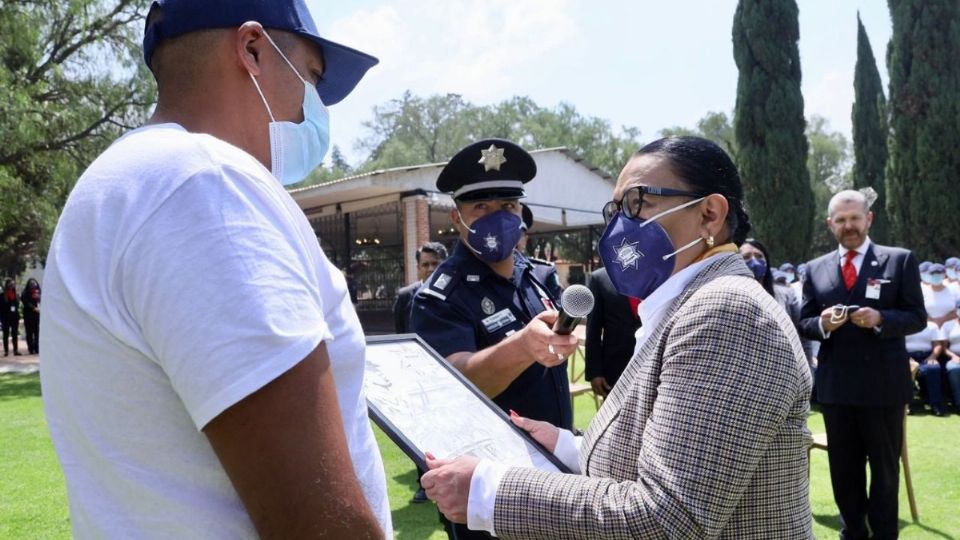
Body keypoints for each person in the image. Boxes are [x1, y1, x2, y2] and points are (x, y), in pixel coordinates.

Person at [39, 1, 390, 537]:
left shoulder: (122, 182)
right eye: (313, 78)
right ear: (252, 49)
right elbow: (321, 526)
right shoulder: (204, 185)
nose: (315, 106)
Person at [422, 136, 813, 538]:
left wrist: (489, 490)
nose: (619, 225)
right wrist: (564, 446)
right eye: (616, 209)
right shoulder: (691, 303)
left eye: (638, 203)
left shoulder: (727, 313)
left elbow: (667, 518)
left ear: (709, 215)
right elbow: (658, 455)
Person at [409, 138, 578, 540]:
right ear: (456, 217)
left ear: (521, 212)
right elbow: (454, 386)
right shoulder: (440, 296)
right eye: (480, 208)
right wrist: (522, 346)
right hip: (489, 487)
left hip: (555, 468)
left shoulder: (538, 276)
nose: (496, 217)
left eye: (507, 206)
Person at [799, 189, 925, 540]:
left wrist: (881, 317)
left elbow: (917, 316)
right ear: (830, 225)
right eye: (840, 220)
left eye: (855, 218)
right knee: (844, 470)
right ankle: (852, 532)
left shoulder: (899, 260)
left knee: (885, 472)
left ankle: (884, 535)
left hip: (883, 387)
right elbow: (804, 321)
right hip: (838, 388)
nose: (849, 225)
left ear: (869, 219)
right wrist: (823, 322)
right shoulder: (814, 268)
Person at [584, 267, 641, 398]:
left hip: (651, 365)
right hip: (615, 371)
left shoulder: (657, 272)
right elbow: (593, 328)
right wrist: (594, 372)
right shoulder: (600, 278)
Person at [740, 238, 799, 326]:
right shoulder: (732, 296)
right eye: (746, 257)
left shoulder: (785, 294)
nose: (755, 261)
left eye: (759, 256)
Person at [393, 242, 448, 333]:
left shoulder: (457, 293)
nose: (431, 269)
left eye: (435, 264)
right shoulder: (405, 297)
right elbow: (401, 334)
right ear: (418, 268)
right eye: (425, 265)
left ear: (445, 265)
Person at [518, 203, 562, 296]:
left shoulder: (544, 271)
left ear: (525, 240)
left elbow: (557, 307)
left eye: (518, 233)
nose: (511, 239)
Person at [904, 321, 947, 416]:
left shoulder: (932, 326)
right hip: (907, 357)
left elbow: (937, 345)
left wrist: (933, 357)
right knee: (906, 371)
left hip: (927, 356)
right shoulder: (904, 324)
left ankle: (935, 405)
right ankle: (907, 406)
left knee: (933, 369)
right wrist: (906, 358)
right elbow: (898, 344)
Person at [939, 299, 960, 412]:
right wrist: (954, 356)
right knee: (954, 369)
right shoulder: (948, 325)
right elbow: (944, 347)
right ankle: (958, 403)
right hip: (954, 357)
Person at [923, 263, 958, 328]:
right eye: (933, 274)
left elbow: (957, 309)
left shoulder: (953, 290)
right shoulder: (923, 291)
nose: (936, 276)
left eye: (939, 274)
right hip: (928, 328)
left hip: (951, 328)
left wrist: (943, 320)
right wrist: (932, 321)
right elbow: (919, 310)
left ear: (944, 275)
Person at [20, 278, 40, 355]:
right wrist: (33, 308)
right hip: (28, 316)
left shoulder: (38, 292)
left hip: (37, 316)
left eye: (34, 284)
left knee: (37, 333)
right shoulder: (25, 293)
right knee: (29, 333)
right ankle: (31, 349)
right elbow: (25, 302)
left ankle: (37, 348)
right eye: (31, 284)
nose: (33, 286)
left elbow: (41, 301)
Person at [1, 279, 21, 357]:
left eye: (12, 284)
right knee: (6, 334)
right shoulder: (2, 295)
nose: (11, 286)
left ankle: (15, 350)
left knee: (14, 334)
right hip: (6, 317)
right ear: (6, 285)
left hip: (14, 317)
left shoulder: (15, 294)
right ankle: (6, 351)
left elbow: (17, 305)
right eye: (10, 284)